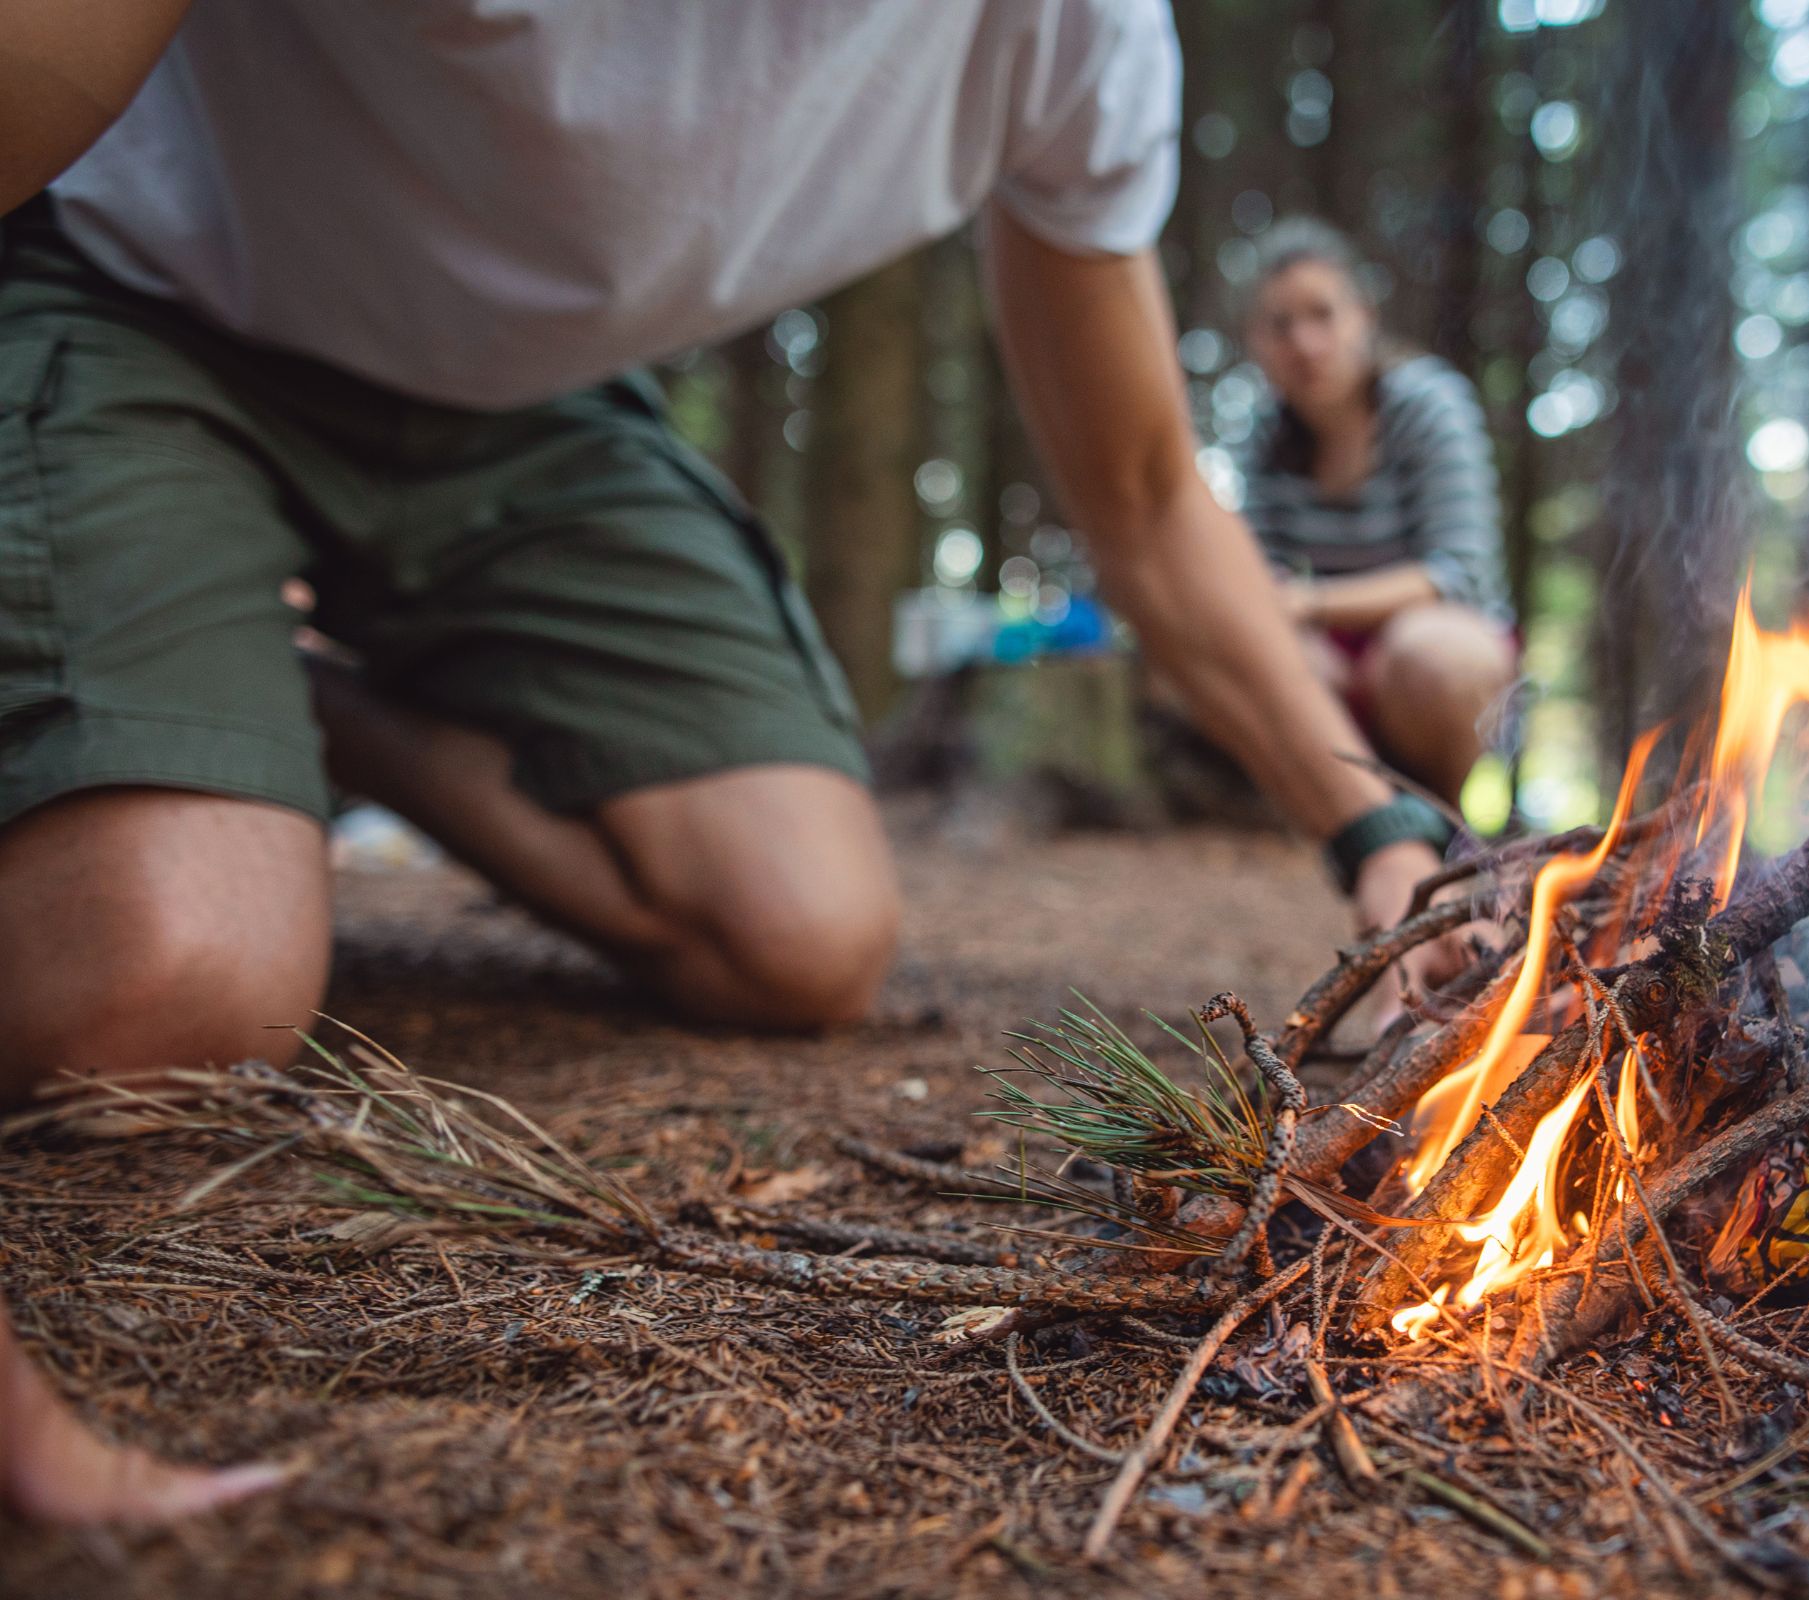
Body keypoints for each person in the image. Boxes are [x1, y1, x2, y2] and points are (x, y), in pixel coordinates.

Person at [0, 0, 1461, 1520]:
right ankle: (180, 691)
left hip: (533, 411)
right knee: (155, 999)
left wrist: (1375, 828)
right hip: (143, 299)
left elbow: (1149, 494)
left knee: (801, 935)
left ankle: (289, 689)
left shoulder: (1070, 29)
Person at [1237, 220, 1519, 806]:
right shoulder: (1266, 436)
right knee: (1257, 659)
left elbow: (1458, 576)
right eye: (1280, 325)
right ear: (1257, 344)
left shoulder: (1426, 405)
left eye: (1322, 315)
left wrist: (1312, 604)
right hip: (1333, 661)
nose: (1305, 344)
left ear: (1363, 316)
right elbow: (1261, 579)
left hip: (1435, 651)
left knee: (1434, 658)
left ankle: (1443, 825)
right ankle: (1350, 825)